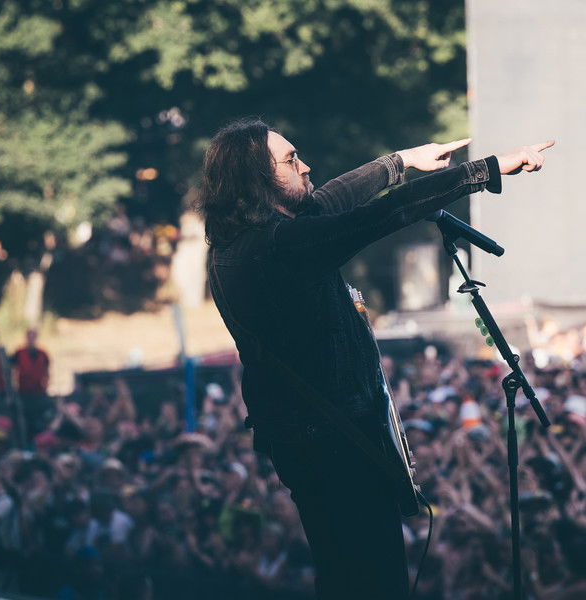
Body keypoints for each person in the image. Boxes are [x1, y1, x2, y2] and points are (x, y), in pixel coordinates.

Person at [198, 118, 553, 599]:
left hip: (325, 440)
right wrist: (484, 170)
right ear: (257, 179)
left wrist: (402, 161)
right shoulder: (273, 250)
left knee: (355, 577)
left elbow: (332, 199)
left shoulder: (257, 239)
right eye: (290, 160)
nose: (306, 167)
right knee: (368, 580)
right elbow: (378, 215)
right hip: (329, 447)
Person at [11, 329, 51, 440]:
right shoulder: (19, 353)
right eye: (29, 336)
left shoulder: (43, 354)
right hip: (23, 393)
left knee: (39, 419)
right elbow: (11, 370)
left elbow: (47, 371)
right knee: (24, 419)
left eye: (33, 337)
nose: (31, 339)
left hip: (38, 393)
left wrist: (46, 386)